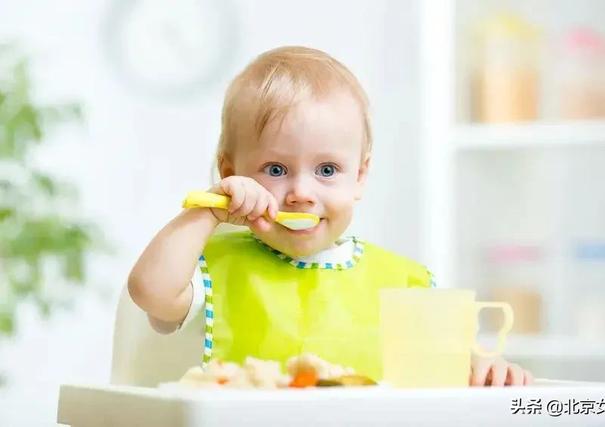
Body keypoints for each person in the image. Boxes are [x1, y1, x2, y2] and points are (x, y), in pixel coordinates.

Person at [128, 46, 533, 386]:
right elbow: (149, 290)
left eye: (326, 171)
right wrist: (210, 210)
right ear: (231, 173)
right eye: (275, 169)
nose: (302, 194)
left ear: (359, 177)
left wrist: (483, 370)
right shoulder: (210, 266)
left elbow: (446, 375)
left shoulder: (405, 285)